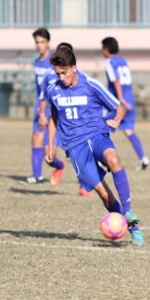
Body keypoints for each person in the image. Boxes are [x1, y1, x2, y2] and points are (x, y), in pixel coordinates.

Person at [44, 46, 145, 247]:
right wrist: (51, 145)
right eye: (58, 73)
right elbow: (53, 118)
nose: (61, 77)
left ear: (74, 67)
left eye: (64, 72)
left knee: (113, 159)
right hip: (74, 147)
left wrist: (116, 120)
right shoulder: (53, 90)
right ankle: (133, 228)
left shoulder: (91, 85)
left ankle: (127, 212)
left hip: (97, 135)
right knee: (105, 194)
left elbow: (119, 107)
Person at [37, 42, 90, 197]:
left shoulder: (81, 77)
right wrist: (41, 114)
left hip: (72, 124)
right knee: (48, 156)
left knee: (79, 157)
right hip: (54, 120)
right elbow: (43, 98)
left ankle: (83, 186)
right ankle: (59, 166)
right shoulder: (49, 76)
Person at [24, 28, 65, 186]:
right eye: (37, 42)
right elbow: (39, 88)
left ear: (48, 42)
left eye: (42, 42)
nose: (39, 45)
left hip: (53, 106)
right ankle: (37, 176)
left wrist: (46, 109)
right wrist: (40, 109)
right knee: (36, 138)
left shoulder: (54, 60)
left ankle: (59, 166)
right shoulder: (37, 62)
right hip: (40, 105)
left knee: (51, 151)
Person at [101, 37, 149, 170]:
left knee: (102, 128)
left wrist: (120, 98)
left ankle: (106, 161)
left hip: (117, 102)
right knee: (128, 130)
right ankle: (143, 158)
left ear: (106, 49)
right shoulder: (123, 61)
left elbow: (116, 81)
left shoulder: (109, 62)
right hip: (130, 101)